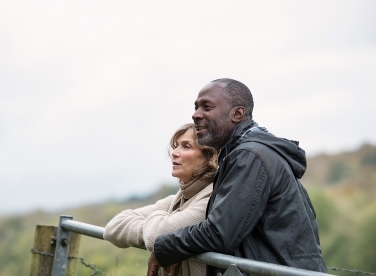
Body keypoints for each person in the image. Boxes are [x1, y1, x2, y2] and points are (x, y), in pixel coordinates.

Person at [147, 79, 328, 276]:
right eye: (196, 107)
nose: (196, 114)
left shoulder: (250, 156)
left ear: (237, 114)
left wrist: (164, 248)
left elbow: (220, 232)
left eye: (206, 107)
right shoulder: (245, 154)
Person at [104, 123, 217, 276]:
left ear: (209, 157)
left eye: (186, 146)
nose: (174, 153)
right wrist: (157, 223)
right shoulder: (176, 200)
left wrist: (158, 225)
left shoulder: (212, 198)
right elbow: (113, 228)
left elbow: (156, 235)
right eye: (176, 146)